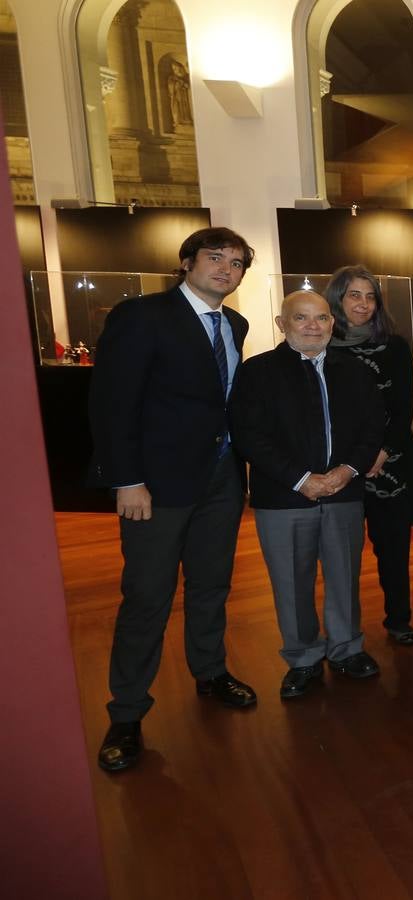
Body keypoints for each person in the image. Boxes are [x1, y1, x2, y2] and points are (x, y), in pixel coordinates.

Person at [88, 227, 258, 771]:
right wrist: (126, 479)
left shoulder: (234, 323)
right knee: (147, 597)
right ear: (187, 262)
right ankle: (127, 713)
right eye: (215, 258)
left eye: (236, 264)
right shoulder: (142, 317)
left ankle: (209, 671)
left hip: (220, 481)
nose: (226, 270)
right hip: (155, 486)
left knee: (211, 584)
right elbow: (112, 404)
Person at [229, 290, 385, 699]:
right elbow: (249, 437)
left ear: (333, 324)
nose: (313, 326)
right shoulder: (257, 372)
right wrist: (302, 479)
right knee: (291, 583)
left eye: (320, 318)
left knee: (344, 577)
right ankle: (302, 658)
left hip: (343, 492)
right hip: (283, 497)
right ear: (282, 324)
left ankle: (347, 649)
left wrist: (346, 471)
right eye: (301, 318)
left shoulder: (355, 371)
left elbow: (373, 429)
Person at [323, 266, 413, 646]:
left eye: (370, 296)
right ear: (337, 299)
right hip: (337, 469)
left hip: (390, 464)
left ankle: (399, 620)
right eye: (354, 295)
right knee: (340, 559)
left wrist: (382, 454)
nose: (364, 304)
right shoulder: (318, 345)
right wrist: (348, 464)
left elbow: (404, 408)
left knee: (393, 552)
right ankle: (343, 633)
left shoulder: (396, 346)